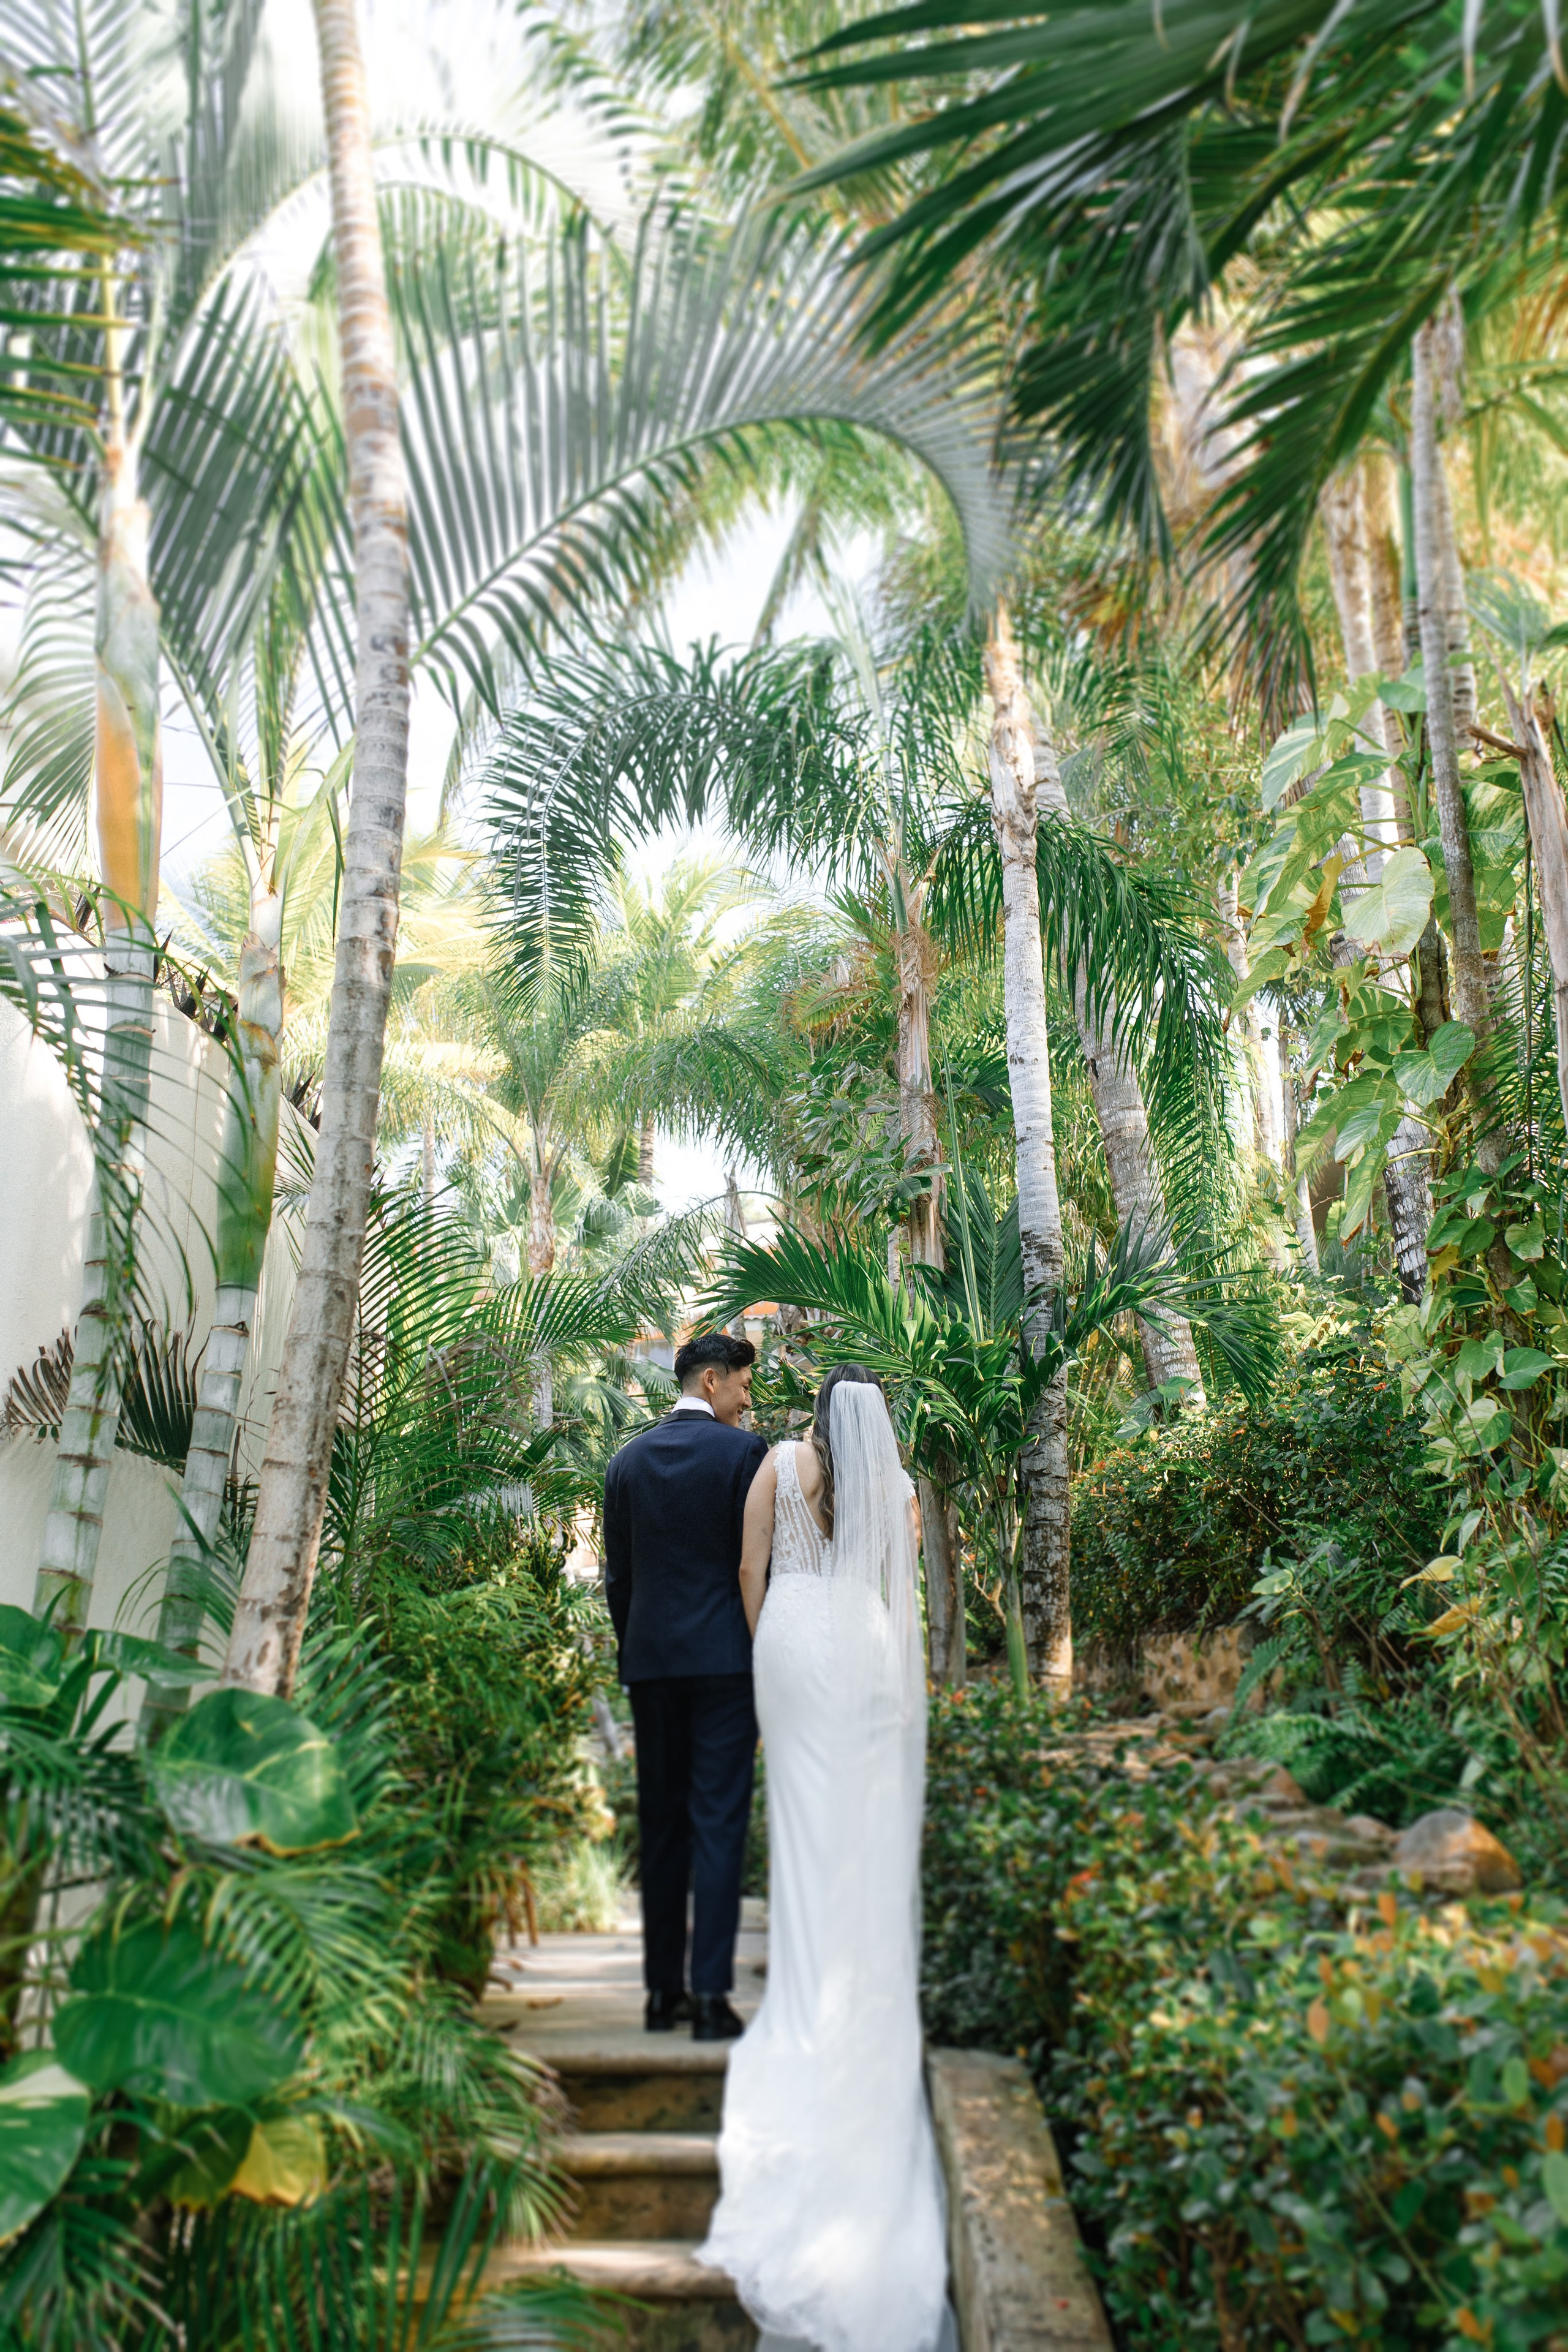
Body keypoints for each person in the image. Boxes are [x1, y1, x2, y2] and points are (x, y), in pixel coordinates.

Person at [698, 1365, 953, 2352]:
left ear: (816, 1414)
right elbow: (903, 1584)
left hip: (796, 1645)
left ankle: (804, 1990)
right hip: (869, 1643)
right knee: (864, 1826)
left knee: (800, 1829)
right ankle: (856, 1982)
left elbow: (750, 1574)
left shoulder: (774, 1462)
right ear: (880, 1419)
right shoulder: (893, 1483)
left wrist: (775, 1650)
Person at [602, 1330, 767, 2040]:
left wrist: (637, 1643)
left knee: (662, 1825)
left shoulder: (626, 1461)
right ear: (710, 1381)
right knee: (718, 1822)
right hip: (727, 1664)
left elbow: (619, 1579)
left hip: (650, 1662)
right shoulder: (744, 1456)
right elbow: (757, 1564)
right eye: (741, 1387)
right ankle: (709, 1998)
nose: (745, 1401)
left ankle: (660, 1994)